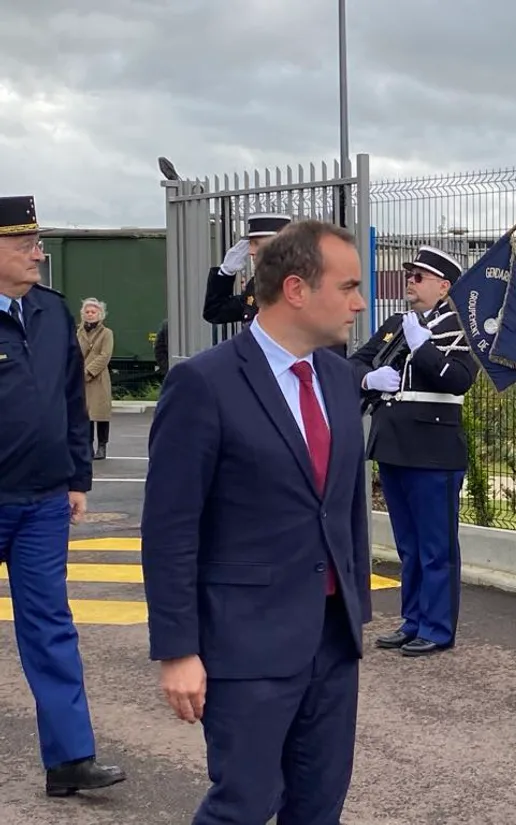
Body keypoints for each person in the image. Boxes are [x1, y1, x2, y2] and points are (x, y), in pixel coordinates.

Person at [141, 219, 371, 824]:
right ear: (296, 289)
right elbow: (170, 527)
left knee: (319, 805)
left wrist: (355, 611)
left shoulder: (339, 379)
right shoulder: (203, 383)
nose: (360, 301)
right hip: (243, 642)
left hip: (331, 637)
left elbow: (344, 510)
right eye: (347, 286)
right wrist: (177, 649)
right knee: (243, 806)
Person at [0, 195, 126, 796]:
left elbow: (72, 403)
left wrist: (78, 479)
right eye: (23, 242)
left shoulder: (52, 313)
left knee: (50, 626)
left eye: (37, 240)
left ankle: (70, 758)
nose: (37, 251)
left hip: (44, 501)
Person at [349, 245, 476, 657]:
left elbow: (458, 380)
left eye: (419, 276)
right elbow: (354, 363)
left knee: (436, 546)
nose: (410, 281)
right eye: (409, 275)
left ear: (444, 286)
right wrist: (369, 379)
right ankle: (413, 620)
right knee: (409, 545)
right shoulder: (395, 323)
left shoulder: (461, 327)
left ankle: (437, 628)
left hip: (433, 450)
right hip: (393, 446)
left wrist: (423, 349)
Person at [202, 212, 291, 326]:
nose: (250, 251)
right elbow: (215, 312)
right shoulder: (256, 284)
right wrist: (225, 272)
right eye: (250, 244)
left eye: (257, 244)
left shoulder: (300, 285)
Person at [77, 297, 114, 460]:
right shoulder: (79, 332)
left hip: (98, 379)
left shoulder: (107, 333)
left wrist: (88, 371)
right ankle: (88, 446)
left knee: (101, 414)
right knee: (86, 415)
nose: (90, 315)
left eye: (93, 312)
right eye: (87, 312)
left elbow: (105, 355)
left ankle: (102, 446)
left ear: (100, 314)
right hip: (81, 379)